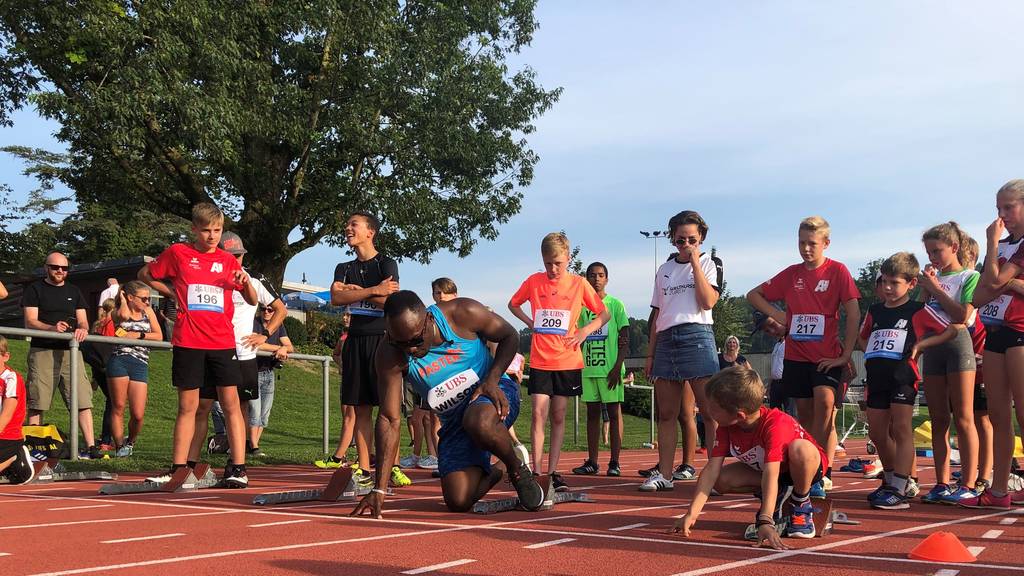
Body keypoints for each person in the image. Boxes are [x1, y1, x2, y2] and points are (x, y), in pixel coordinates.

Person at [350, 291, 543, 517]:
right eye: (400, 342)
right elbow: (389, 419)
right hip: (455, 421)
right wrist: (379, 488)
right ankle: (501, 467)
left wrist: (491, 379)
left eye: (415, 340)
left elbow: (510, 335)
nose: (410, 349)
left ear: (428, 320)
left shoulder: (462, 313)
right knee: (458, 500)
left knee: (478, 420)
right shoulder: (389, 354)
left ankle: (516, 469)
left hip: (494, 395)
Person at [138, 202, 258, 487]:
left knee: (231, 405)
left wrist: (245, 283)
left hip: (222, 342)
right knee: (188, 406)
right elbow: (145, 274)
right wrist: (173, 293)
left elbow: (252, 300)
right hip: (188, 341)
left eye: (217, 230)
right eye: (206, 231)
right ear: (194, 229)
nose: (212, 236)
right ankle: (179, 467)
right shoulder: (179, 253)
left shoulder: (229, 261)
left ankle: (238, 468)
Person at [747, 216, 860, 497]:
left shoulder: (838, 272)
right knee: (806, 418)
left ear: (826, 244)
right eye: (801, 243)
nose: (806, 249)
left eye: (812, 244)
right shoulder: (792, 274)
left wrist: (846, 353)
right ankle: (808, 472)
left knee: (825, 404)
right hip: (797, 357)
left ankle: (820, 472)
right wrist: (781, 316)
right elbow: (754, 294)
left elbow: (854, 312)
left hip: (827, 357)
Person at [670, 366, 827, 546]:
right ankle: (779, 495)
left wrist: (765, 520)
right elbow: (712, 469)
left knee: (801, 449)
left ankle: (801, 501)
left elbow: (772, 473)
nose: (706, 410)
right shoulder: (725, 426)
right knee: (719, 480)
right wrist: (691, 513)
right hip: (774, 473)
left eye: (713, 408)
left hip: (805, 466)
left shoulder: (775, 425)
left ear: (739, 415)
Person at [858, 252, 961, 510]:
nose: (888, 288)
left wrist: (921, 346)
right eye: (884, 282)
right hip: (876, 376)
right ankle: (892, 479)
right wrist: (872, 350)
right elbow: (863, 337)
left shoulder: (917, 310)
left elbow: (951, 328)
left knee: (902, 429)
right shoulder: (875, 310)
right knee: (877, 432)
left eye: (895, 283)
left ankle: (900, 487)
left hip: (903, 376)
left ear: (911, 284)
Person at [508, 232, 609, 492]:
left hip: (567, 359)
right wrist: (530, 323)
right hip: (541, 358)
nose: (552, 269)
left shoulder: (578, 284)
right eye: (548, 263)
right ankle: (537, 470)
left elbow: (603, 313)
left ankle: (553, 472)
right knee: (539, 413)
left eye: (558, 263)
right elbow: (513, 304)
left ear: (568, 258)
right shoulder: (534, 281)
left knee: (559, 414)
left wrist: (585, 331)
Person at [187, 231, 287, 464]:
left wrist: (264, 334)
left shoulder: (254, 278)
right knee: (202, 407)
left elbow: (280, 310)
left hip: (243, 354)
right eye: (231, 255)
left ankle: (237, 461)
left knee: (240, 408)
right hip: (211, 350)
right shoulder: (205, 276)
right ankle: (189, 462)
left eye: (239, 256)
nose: (236, 261)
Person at [324, 212, 406, 489]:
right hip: (355, 340)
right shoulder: (342, 267)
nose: (347, 228)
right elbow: (336, 297)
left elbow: (391, 302)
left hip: (382, 340)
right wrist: (372, 290)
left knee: (388, 408)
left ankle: (391, 466)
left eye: (353, 225)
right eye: (347, 225)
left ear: (370, 232)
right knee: (360, 408)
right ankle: (364, 469)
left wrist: (357, 292)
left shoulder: (387, 263)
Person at [642, 211, 720, 491]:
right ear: (672, 238)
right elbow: (657, 314)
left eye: (692, 239)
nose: (685, 244)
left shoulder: (711, 263)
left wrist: (696, 263)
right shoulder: (663, 270)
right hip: (666, 338)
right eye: (680, 239)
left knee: (710, 412)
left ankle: (714, 475)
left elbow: (708, 301)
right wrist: (650, 354)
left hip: (696, 335)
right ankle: (664, 473)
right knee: (667, 413)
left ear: (701, 239)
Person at [963, 179, 1024, 508]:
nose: (1002, 215)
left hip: (1022, 332)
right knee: (1000, 416)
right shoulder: (1001, 247)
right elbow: (980, 293)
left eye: (1009, 208)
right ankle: (999, 490)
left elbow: (997, 281)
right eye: (998, 209)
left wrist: (1006, 281)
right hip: (997, 333)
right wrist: (993, 248)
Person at [917, 222, 981, 503]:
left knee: (964, 417)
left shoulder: (969, 277)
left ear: (954, 248)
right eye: (929, 252)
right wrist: (925, 289)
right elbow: (920, 314)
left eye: (937, 251)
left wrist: (936, 288)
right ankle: (941, 482)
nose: (932, 257)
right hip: (933, 349)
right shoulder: (933, 278)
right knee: (938, 418)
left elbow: (961, 316)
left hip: (959, 346)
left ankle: (968, 483)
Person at [22, 252, 101, 459]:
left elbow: (83, 320)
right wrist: (52, 328)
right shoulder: (34, 289)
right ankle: (35, 447)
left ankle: (91, 447)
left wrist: (82, 329)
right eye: (56, 267)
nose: (60, 271)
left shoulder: (74, 291)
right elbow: (30, 321)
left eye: (64, 268)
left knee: (82, 400)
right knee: (37, 401)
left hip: (71, 352)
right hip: (43, 351)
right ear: (46, 267)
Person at [572, 262, 629, 477]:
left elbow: (625, 339)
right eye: (592, 275)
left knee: (614, 414)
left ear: (607, 278)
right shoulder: (580, 307)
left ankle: (615, 462)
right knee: (592, 415)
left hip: (610, 370)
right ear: (586, 278)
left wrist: (617, 367)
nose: (596, 279)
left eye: (601, 275)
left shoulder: (615, 305)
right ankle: (592, 462)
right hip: (588, 369)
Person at [107, 280, 162, 457]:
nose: (147, 302)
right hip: (119, 360)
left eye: (149, 299)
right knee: (119, 406)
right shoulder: (118, 312)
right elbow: (122, 317)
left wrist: (138, 335)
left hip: (140, 362)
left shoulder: (148, 312)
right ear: (131, 297)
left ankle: (130, 441)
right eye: (144, 298)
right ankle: (119, 445)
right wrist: (122, 299)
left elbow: (159, 336)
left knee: (138, 414)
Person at [250, 305, 293, 456]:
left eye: (270, 310)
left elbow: (290, 346)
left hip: (269, 372)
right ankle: (254, 446)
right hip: (253, 372)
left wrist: (283, 348)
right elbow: (256, 343)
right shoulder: (253, 322)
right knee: (254, 412)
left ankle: (253, 444)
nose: (266, 312)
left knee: (264, 415)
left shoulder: (279, 325)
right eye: (263, 309)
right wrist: (279, 348)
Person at [320, 312, 356, 467]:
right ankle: (343, 455)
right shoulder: (343, 338)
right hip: (347, 380)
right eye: (344, 315)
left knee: (355, 417)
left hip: (358, 381)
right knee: (347, 417)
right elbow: (335, 354)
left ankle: (342, 457)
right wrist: (341, 364)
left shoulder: (360, 337)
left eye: (348, 315)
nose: (344, 318)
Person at [0, 336, 35, 485]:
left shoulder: (11, 378)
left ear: (5, 356)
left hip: (7, 436)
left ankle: (16, 455)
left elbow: (6, 416)